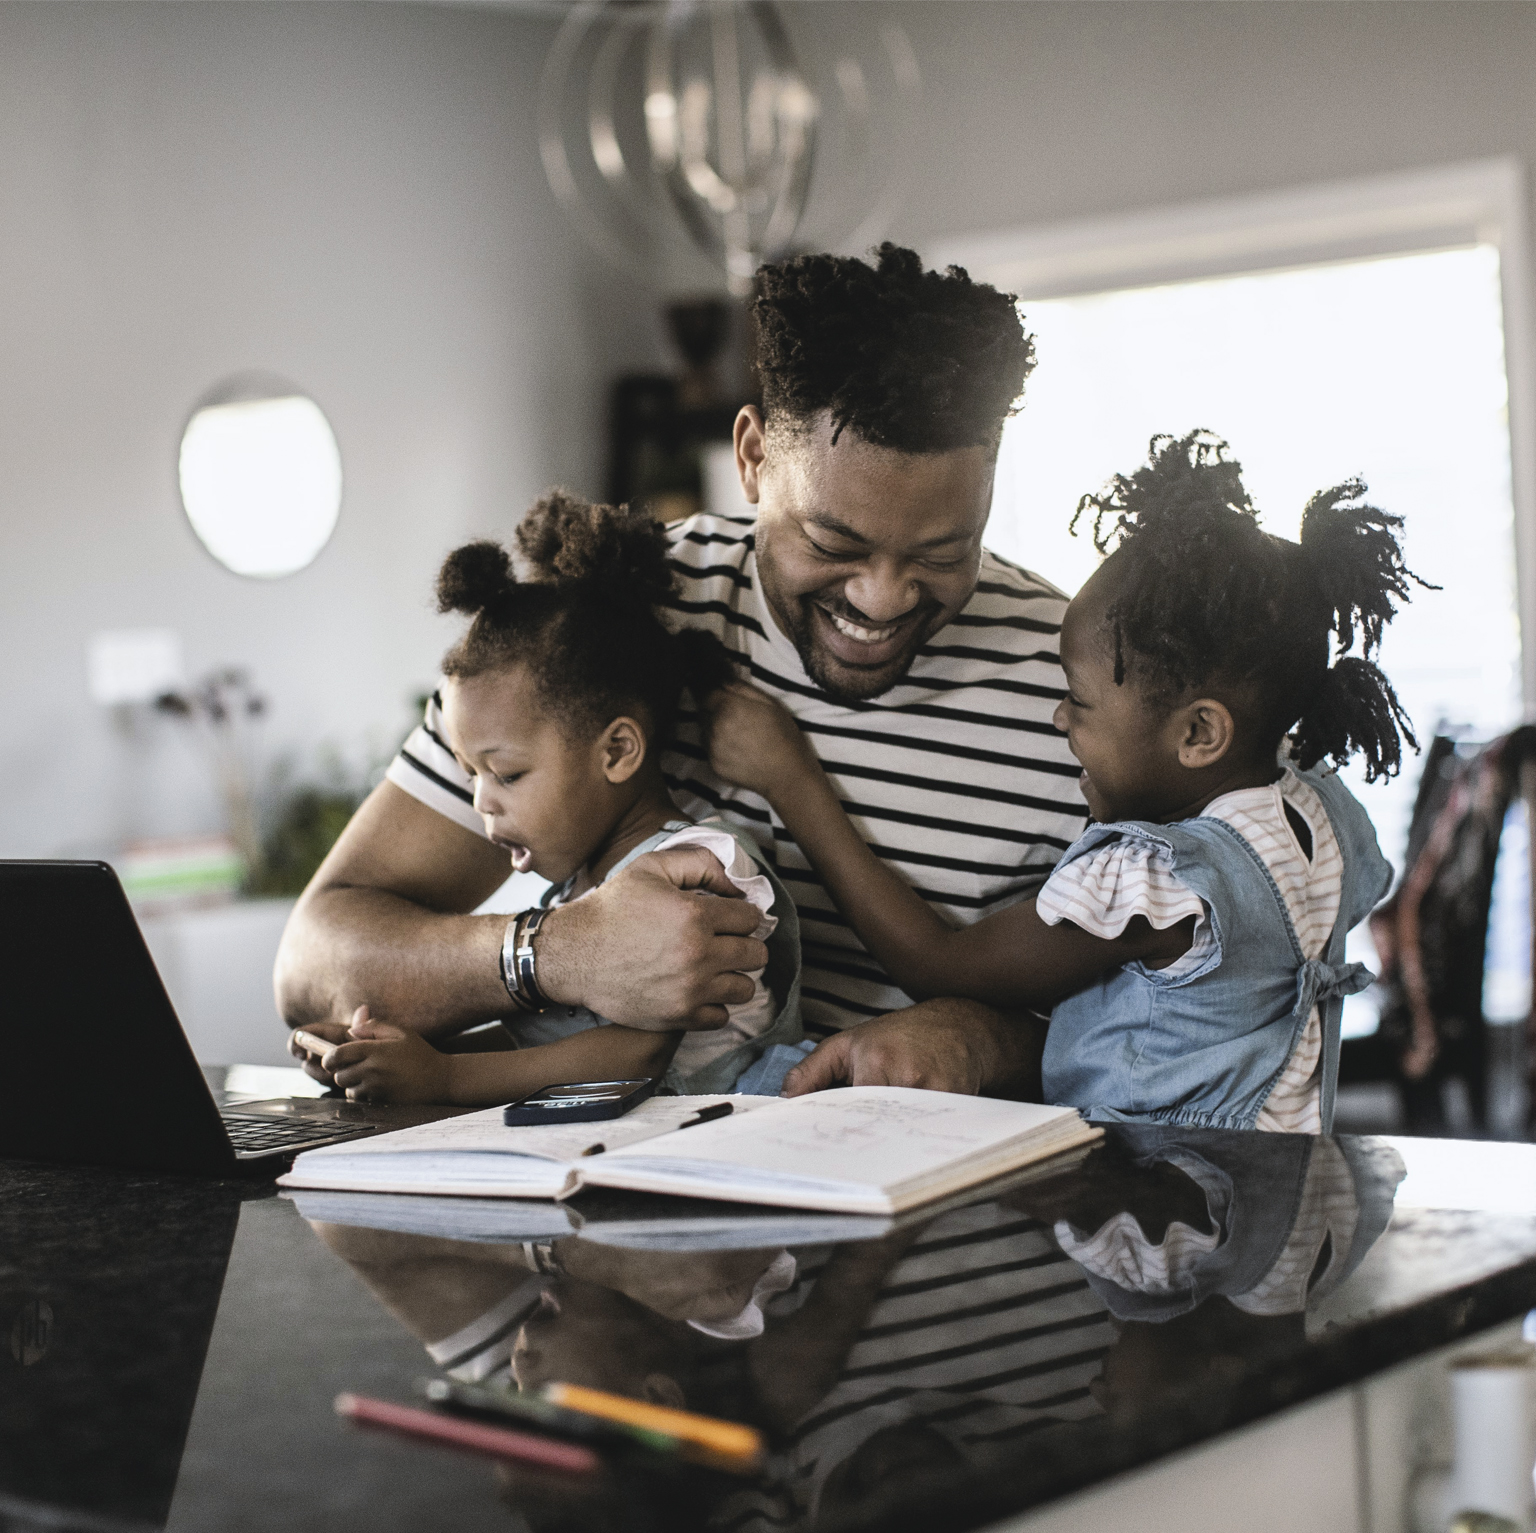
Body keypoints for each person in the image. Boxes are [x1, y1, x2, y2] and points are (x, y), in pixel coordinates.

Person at [275, 243, 1085, 1098]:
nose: (882, 599)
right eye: (832, 543)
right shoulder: (615, 611)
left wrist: (995, 1039)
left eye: (942, 551)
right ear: (751, 456)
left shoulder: (1087, 686)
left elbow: (1193, 1006)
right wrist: (562, 952)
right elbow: (313, 965)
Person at [705, 430, 1427, 1128]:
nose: (1057, 719)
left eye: (1078, 701)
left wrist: (790, 778)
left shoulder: (1152, 882)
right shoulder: (1320, 811)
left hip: (1159, 1211)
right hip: (1277, 1193)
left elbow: (940, 964)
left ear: (1200, 733)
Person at [298, 491, 801, 1104]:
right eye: (468, 775)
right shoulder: (580, 901)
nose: (482, 801)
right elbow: (540, 1052)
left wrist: (445, 1077)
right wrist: (392, 1055)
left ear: (616, 752)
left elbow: (633, 1055)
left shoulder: (703, 867)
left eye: (506, 775)